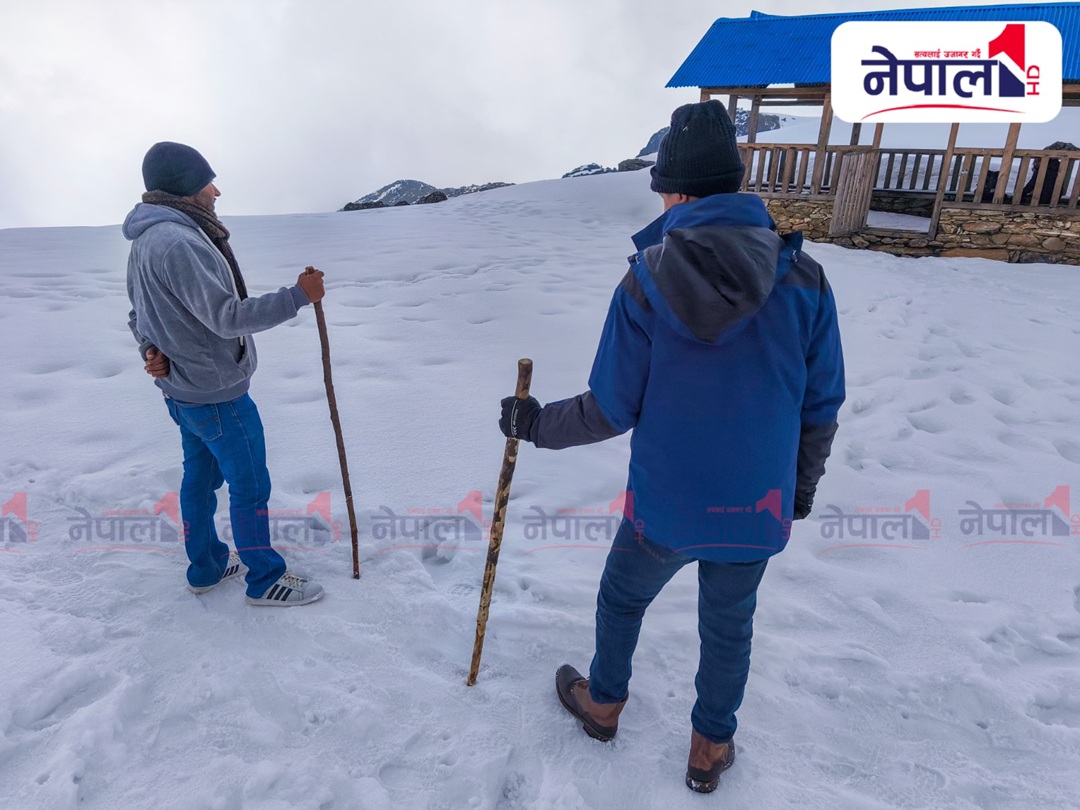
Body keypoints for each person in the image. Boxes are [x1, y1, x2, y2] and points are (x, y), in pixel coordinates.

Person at [498, 101, 845, 793]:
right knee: (729, 626)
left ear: (680, 191)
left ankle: (603, 702)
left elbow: (609, 408)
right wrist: (799, 489)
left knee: (623, 600)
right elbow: (820, 405)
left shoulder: (645, 281)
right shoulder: (803, 278)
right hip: (757, 505)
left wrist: (534, 425)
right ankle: (709, 748)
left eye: (663, 183)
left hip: (666, 506)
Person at [124, 141, 326, 607]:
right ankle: (264, 578)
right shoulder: (178, 242)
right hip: (216, 393)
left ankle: (207, 566)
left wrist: (149, 348)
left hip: (183, 390)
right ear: (184, 188)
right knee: (250, 483)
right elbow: (227, 317)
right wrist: (298, 295)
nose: (215, 190)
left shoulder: (147, 240)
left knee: (199, 478)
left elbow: (140, 315)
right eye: (205, 182)